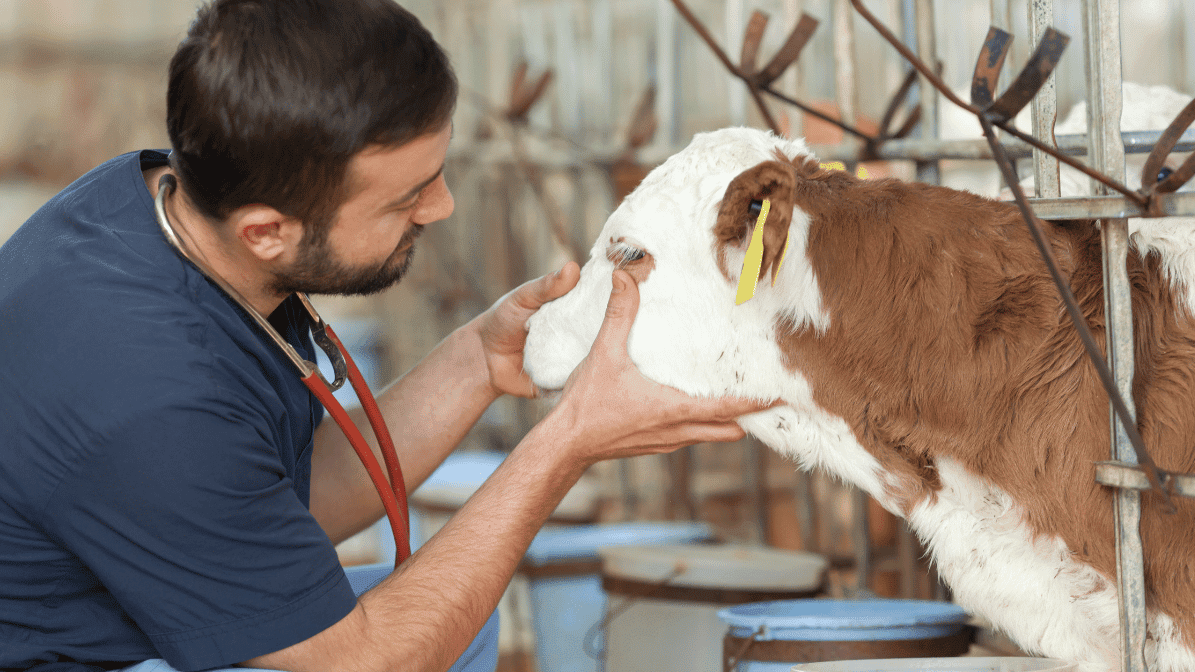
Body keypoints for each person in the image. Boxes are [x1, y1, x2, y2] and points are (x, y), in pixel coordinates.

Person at [0, 2, 770, 671]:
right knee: (422, 626)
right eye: (407, 198)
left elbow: (281, 501)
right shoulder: (149, 396)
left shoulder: (153, 203)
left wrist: (477, 358)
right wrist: (568, 439)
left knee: (455, 618)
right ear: (268, 231)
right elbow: (367, 661)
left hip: (117, 597)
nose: (442, 207)